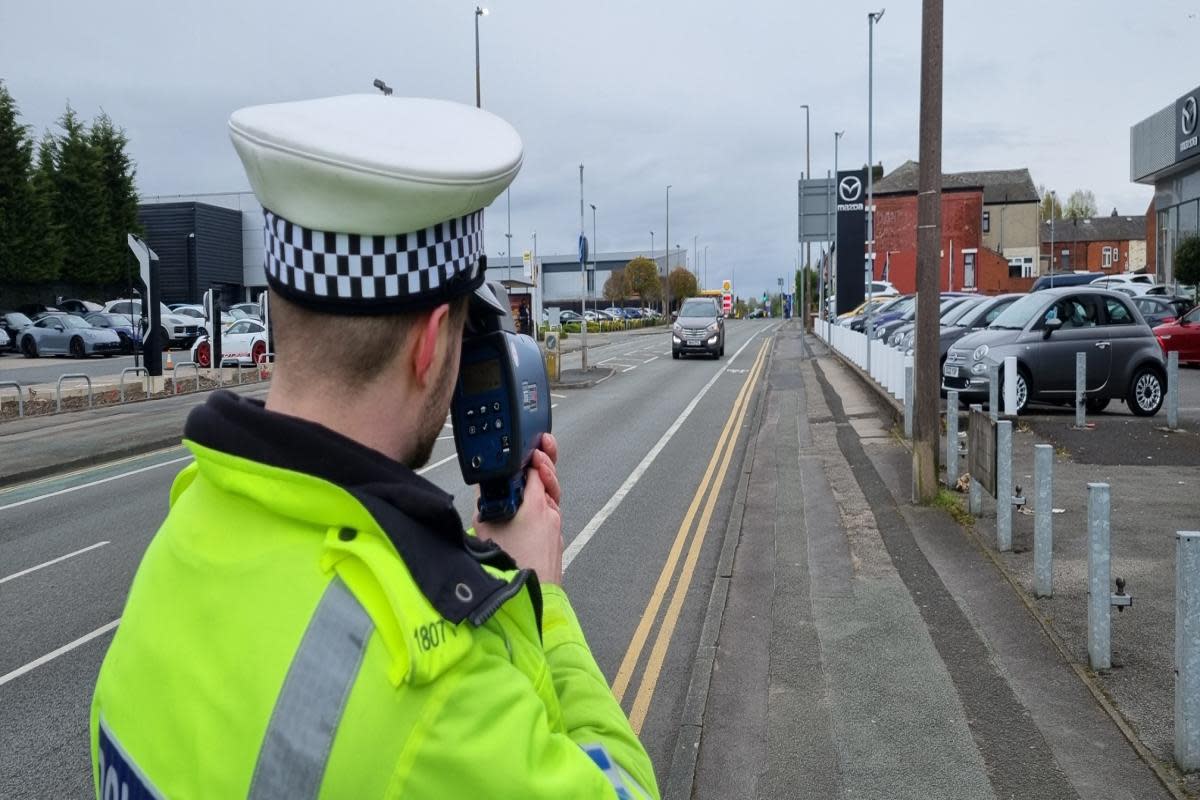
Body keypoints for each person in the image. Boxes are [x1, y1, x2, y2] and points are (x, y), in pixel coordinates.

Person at [90, 94, 657, 799]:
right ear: (429, 346)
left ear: (281, 314)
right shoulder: (440, 686)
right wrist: (546, 605)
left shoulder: (181, 537)